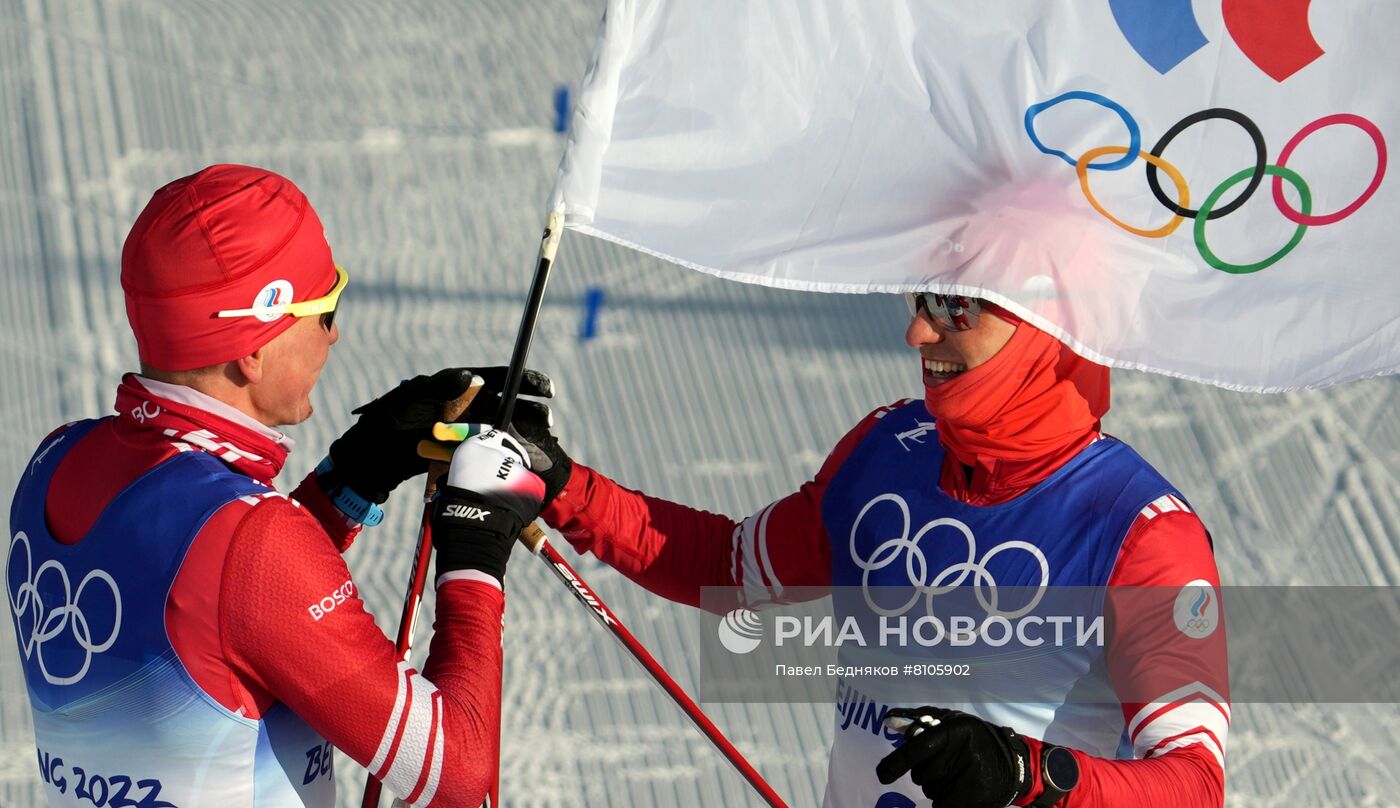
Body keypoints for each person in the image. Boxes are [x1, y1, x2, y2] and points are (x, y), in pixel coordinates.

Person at [519, 293, 1229, 807]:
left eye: (959, 308)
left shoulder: (1143, 535)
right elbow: (726, 566)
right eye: (924, 298)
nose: (918, 331)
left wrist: (1029, 774)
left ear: (1048, 323)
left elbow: (1194, 783)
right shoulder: (889, 451)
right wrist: (555, 482)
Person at [4, 164, 549, 807]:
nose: (335, 334)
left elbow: (211, 607)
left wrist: (356, 475)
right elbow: (455, 771)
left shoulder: (56, 460)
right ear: (252, 348)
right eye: (326, 309)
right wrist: (475, 557)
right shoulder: (253, 543)